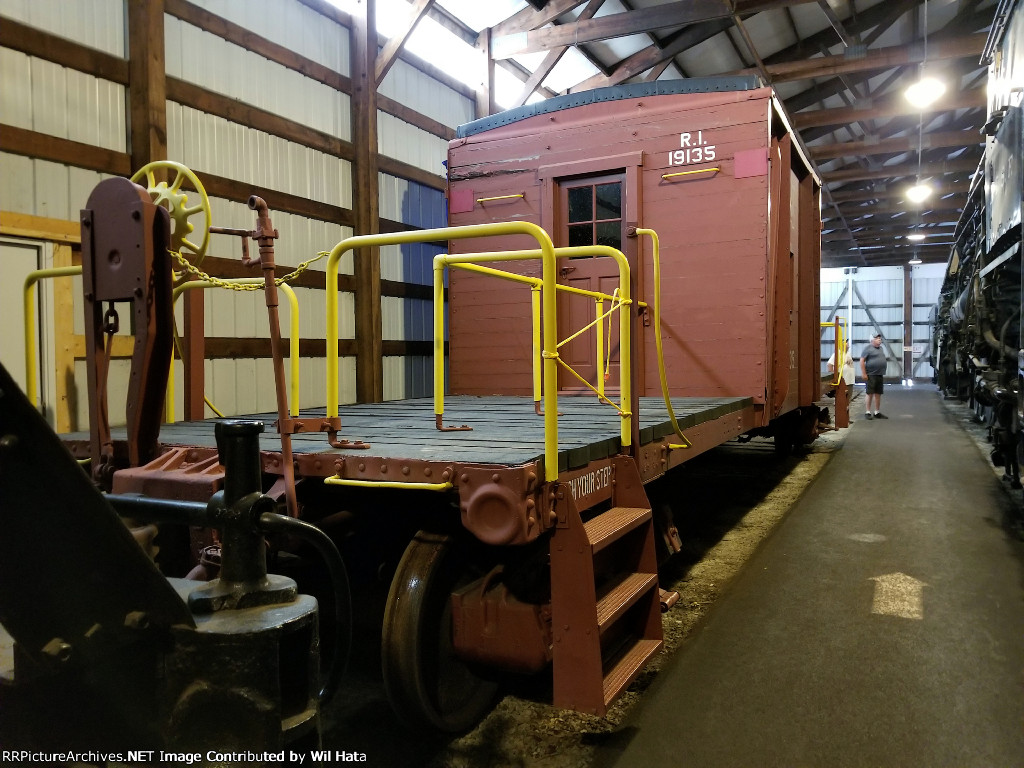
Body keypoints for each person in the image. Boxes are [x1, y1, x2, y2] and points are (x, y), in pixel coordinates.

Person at [860, 333, 887, 420]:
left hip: (879, 374)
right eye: (877, 338)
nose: (879, 339)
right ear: (872, 340)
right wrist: (864, 373)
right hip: (871, 374)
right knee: (870, 393)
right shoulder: (867, 349)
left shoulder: (881, 348)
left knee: (878, 393)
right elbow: (862, 361)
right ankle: (867, 412)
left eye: (880, 338)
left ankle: (877, 412)